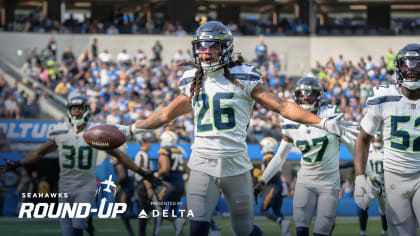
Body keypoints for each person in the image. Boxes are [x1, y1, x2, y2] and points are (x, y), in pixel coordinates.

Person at [114, 21, 350, 236]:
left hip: (236, 166)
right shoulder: (192, 80)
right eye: (201, 47)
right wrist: (129, 130)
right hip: (202, 164)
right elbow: (164, 114)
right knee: (197, 228)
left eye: (211, 47)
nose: (205, 53)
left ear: (225, 48)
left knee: (243, 230)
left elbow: (281, 106)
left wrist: (323, 122)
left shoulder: (244, 77)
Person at [0, 96, 159, 236]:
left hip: (86, 186)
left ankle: (86, 224)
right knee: (68, 232)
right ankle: (88, 226)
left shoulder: (96, 133)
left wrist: (141, 172)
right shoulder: (60, 131)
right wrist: (17, 164)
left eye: (79, 108)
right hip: (65, 187)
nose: (76, 111)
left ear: (86, 111)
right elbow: (40, 152)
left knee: (77, 226)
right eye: (73, 108)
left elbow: (119, 154)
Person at [254, 77, 358, 236]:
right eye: (302, 95)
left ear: (319, 95)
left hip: (328, 182)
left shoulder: (330, 114)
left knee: (322, 231)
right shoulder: (290, 120)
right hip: (305, 181)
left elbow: (351, 145)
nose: (306, 98)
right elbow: (280, 157)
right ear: (296, 96)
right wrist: (263, 181)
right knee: (301, 230)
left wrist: (365, 174)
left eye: (310, 94)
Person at [354, 43, 420, 236]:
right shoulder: (384, 98)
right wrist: (359, 178)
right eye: (408, 68)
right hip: (394, 177)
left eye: (417, 67)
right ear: (399, 70)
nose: (412, 72)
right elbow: (363, 138)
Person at [255, 137, 291, 235]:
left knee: (263, 210)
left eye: (262, 146)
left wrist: (259, 175)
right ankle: (286, 233)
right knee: (277, 212)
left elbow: (272, 173)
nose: (261, 147)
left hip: (274, 185)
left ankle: (282, 222)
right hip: (278, 186)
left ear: (267, 146)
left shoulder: (268, 157)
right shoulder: (273, 156)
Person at [153, 130, 187, 236]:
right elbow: (186, 169)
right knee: (172, 211)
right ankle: (179, 230)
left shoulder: (164, 151)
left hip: (170, 185)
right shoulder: (178, 150)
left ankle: (156, 233)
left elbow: (164, 169)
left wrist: (155, 175)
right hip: (180, 184)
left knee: (158, 209)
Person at [358, 134, 387, 236]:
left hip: (384, 184)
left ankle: (384, 231)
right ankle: (363, 232)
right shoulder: (367, 149)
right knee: (363, 206)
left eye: (379, 137)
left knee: (384, 210)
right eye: (376, 137)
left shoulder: (387, 150)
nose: (378, 139)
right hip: (370, 183)